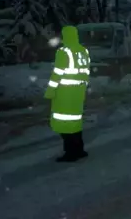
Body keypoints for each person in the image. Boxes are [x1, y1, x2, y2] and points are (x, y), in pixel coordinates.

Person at [44, 26, 90, 162]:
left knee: (64, 122)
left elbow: (57, 73)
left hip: (65, 93)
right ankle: (79, 149)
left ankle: (70, 152)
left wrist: (50, 91)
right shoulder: (83, 51)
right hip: (78, 92)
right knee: (75, 121)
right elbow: (86, 72)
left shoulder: (64, 52)